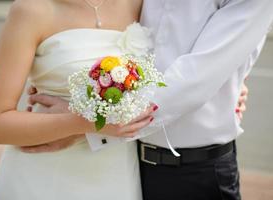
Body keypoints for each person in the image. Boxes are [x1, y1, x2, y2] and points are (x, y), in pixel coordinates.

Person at [21, 0, 273, 200]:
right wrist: (55, 70)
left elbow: (194, 80)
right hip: (128, 164)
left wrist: (89, 124)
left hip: (196, 172)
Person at [0, 0, 156, 199]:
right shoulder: (31, 9)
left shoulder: (141, 5)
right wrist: (85, 123)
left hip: (116, 173)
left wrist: (98, 127)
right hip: (43, 175)